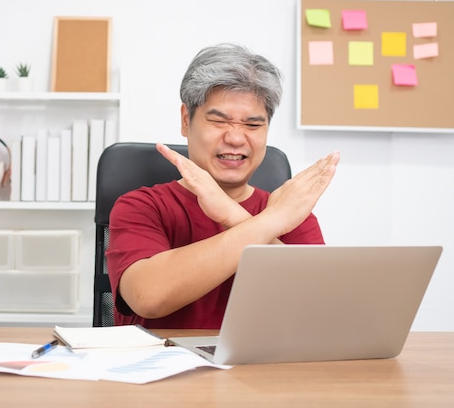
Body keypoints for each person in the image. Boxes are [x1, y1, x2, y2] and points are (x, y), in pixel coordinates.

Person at [106, 43, 340, 329]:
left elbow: (321, 307)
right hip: (163, 368)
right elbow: (148, 296)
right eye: (219, 121)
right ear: (185, 120)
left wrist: (235, 217)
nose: (236, 138)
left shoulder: (290, 212)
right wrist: (270, 223)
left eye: (253, 126)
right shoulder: (141, 206)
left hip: (258, 370)